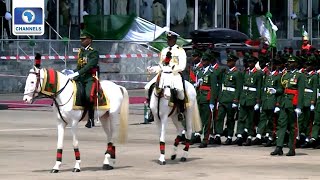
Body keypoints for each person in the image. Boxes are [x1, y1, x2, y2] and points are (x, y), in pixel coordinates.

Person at [145, 31, 187, 121]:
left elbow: (182, 66)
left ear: (175, 40)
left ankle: (180, 111)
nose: (169, 41)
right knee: (147, 87)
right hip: (163, 74)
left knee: (180, 91)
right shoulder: (164, 50)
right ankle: (151, 110)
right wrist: (153, 69)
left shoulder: (180, 51)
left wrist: (173, 69)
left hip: (174, 74)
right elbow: (161, 65)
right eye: (168, 39)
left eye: (171, 39)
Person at [270, 55, 305, 156]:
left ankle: (292, 148)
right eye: (288, 62)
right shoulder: (285, 74)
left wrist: (299, 106)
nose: (289, 64)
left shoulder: (300, 75)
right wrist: (276, 91)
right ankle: (279, 147)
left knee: (292, 126)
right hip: (284, 103)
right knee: (281, 125)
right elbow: (283, 89)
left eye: (291, 62)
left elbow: (301, 92)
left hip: (293, 103)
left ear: (296, 64)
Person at [67, 30, 99, 128]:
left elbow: (88, 66)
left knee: (88, 96)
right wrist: (72, 72)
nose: (82, 41)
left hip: (89, 77)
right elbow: (80, 66)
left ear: (89, 40)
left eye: (84, 39)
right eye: (81, 39)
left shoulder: (93, 52)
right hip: (80, 77)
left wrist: (77, 73)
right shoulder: (81, 51)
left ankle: (91, 119)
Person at [251, 58, 282, 146]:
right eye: (268, 66)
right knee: (263, 118)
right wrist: (259, 101)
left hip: (273, 101)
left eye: (271, 65)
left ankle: (271, 137)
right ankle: (259, 136)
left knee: (272, 120)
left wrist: (277, 103)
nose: (269, 67)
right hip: (265, 100)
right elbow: (262, 88)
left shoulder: (278, 76)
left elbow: (280, 90)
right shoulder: (266, 76)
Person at [234, 56, 262, 146]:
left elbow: (259, 88)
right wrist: (238, 99)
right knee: (241, 118)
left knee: (250, 119)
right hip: (244, 98)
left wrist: (258, 101)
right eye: (248, 63)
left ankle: (249, 136)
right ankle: (239, 135)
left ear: (254, 63)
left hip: (252, 98)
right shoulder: (245, 72)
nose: (249, 64)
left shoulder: (258, 73)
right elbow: (241, 86)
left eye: (251, 63)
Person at [215, 53, 242, 145]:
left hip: (231, 98)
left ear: (234, 62)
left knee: (230, 119)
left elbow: (239, 87)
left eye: (230, 61)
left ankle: (229, 136)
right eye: (228, 61)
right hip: (223, 97)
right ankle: (218, 135)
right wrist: (219, 98)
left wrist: (236, 100)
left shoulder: (237, 73)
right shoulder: (225, 72)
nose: (228, 63)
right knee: (219, 117)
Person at [195, 50, 218, 148]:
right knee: (199, 118)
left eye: (205, 61)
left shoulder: (212, 72)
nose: (203, 62)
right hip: (200, 98)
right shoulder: (200, 72)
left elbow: (214, 88)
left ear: (209, 61)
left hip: (207, 99)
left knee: (207, 121)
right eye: (202, 60)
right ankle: (197, 135)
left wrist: (212, 102)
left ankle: (205, 139)